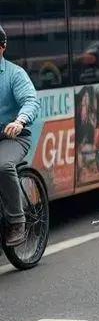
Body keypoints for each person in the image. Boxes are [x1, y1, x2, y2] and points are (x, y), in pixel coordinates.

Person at [0, 24, 40, 246]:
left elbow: (30, 101)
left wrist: (19, 121)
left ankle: (17, 221)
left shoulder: (15, 74)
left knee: (3, 166)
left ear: (2, 47)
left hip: (13, 136)